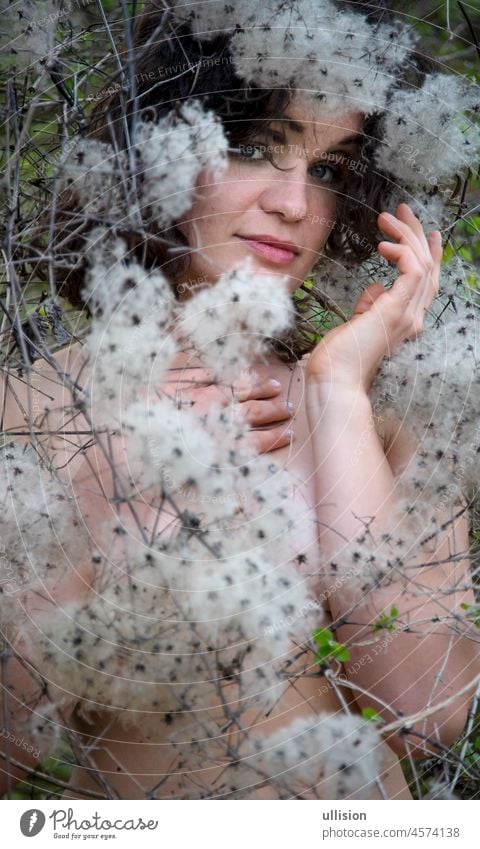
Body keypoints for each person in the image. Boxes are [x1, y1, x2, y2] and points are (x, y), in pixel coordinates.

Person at [1, 0, 479, 800]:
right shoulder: (29, 410)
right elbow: (12, 750)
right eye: (259, 149)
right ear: (163, 149)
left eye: (328, 170)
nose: (295, 205)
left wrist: (335, 397)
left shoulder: (382, 415)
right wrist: (105, 477)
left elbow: (425, 714)